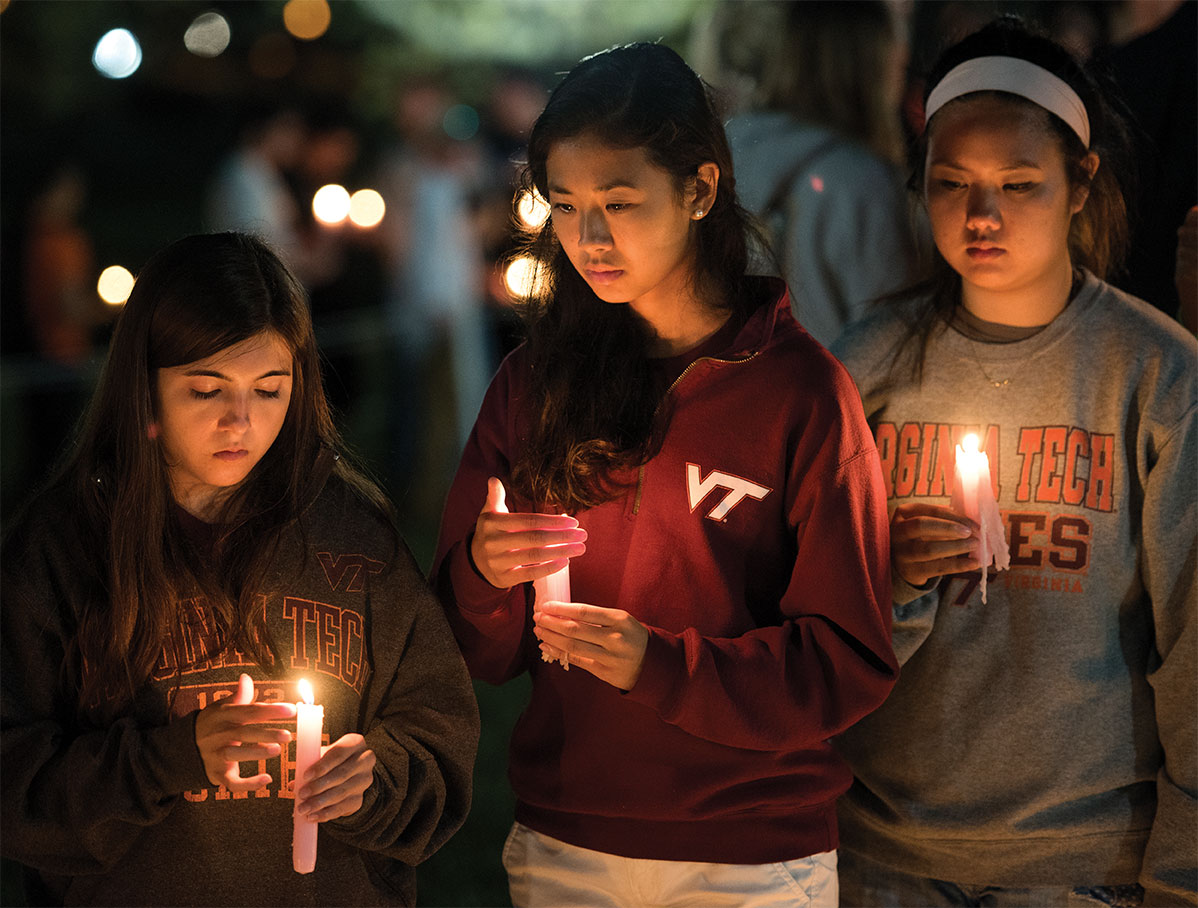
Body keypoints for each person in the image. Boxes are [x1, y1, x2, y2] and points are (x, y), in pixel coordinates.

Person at [431, 42, 898, 907]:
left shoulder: (798, 393)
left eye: (618, 202)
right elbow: (473, 650)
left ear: (700, 189)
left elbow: (847, 658)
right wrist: (484, 576)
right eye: (565, 207)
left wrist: (666, 668)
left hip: (752, 855)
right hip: (569, 839)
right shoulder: (535, 386)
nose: (589, 238)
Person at [830, 18, 1197, 906]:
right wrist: (890, 573)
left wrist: (1182, 877)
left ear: (1082, 184)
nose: (980, 215)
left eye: (1018, 184)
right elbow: (800, 608)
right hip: (884, 851)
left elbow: (1192, 645)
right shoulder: (864, 367)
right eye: (951, 183)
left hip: (1081, 861)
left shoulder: (1153, 374)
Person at [0, 232, 479, 907]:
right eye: (205, 390)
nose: (241, 421)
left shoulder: (352, 537)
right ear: (146, 391)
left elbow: (436, 731)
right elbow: (16, 785)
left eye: (269, 390)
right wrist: (170, 758)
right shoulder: (60, 551)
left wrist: (373, 785)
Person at [726, 0, 922, 349]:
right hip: (837, 397)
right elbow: (890, 338)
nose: (901, 77)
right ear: (870, 69)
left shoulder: (724, 153)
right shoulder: (862, 181)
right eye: (897, 63)